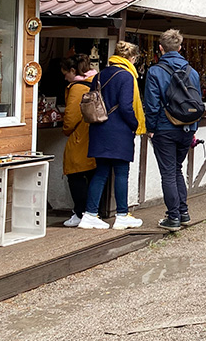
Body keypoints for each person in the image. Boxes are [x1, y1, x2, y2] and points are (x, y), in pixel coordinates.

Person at [78, 42, 145, 229]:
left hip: (99, 128)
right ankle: (122, 215)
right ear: (131, 58)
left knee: (100, 172)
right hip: (119, 130)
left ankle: (90, 214)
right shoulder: (126, 76)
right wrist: (135, 124)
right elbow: (125, 106)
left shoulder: (99, 75)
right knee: (122, 173)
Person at [145, 29, 203, 232]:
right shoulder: (192, 72)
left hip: (164, 127)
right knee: (177, 170)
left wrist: (150, 128)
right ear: (180, 48)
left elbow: (151, 105)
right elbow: (197, 101)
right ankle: (183, 212)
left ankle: (173, 217)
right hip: (187, 128)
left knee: (168, 173)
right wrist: (193, 127)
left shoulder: (155, 72)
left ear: (160, 48)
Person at [60, 54, 105, 226]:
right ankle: (94, 211)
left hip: (80, 136)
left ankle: (80, 212)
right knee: (93, 174)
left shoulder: (77, 88)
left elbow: (71, 118)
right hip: (95, 134)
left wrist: (66, 130)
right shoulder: (97, 80)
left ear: (73, 70)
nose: (65, 78)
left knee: (75, 173)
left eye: (66, 74)